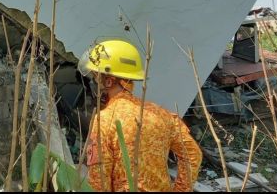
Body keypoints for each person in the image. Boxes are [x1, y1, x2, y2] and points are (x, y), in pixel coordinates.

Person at [79, 39, 202, 192]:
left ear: (109, 81)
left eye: (96, 77)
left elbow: (99, 181)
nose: (94, 82)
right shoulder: (161, 114)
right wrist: (180, 190)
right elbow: (193, 154)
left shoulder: (104, 120)